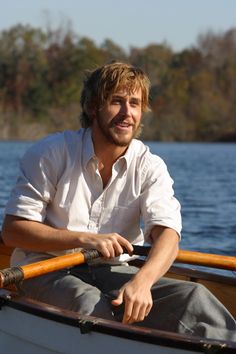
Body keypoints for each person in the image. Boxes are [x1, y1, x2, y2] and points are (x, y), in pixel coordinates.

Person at [2, 62, 236, 341]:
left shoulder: (150, 166)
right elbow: (13, 231)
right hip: (44, 270)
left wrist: (143, 281)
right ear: (92, 107)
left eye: (135, 104)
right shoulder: (50, 153)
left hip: (114, 270)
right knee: (91, 305)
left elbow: (168, 236)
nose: (127, 113)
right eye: (116, 102)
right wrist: (87, 239)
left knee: (195, 298)